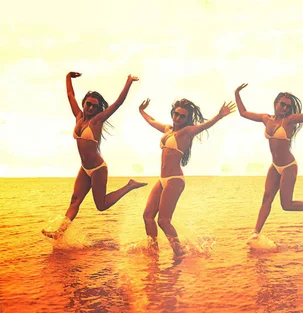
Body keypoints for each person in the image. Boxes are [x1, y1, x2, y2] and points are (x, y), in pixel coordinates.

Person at [234, 82, 303, 238]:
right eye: (283, 104)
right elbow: (243, 112)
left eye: (288, 106)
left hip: (288, 166)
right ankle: (256, 233)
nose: (285, 108)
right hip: (275, 166)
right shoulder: (266, 119)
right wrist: (237, 93)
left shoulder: (291, 120)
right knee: (266, 198)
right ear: (276, 103)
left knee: (286, 205)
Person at [42, 72, 147, 239]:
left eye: (94, 106)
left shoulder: (98, 120)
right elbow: (70, 95)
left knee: (101, 205)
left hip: (98, 168)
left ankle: (129, 186)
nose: (90, 108)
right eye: (88, 104)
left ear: (98, 109)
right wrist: (68, 77)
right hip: (84, 168)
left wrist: (128, 82)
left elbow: (118, 103)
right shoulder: (78, 117)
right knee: (75, 201)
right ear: (84, 103)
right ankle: (59, 233)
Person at [139, 98, 236, 257]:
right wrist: (142, 111)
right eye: (176, 114)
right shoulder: (168, 130)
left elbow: (203, 126)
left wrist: (219, 116)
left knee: (163, 221)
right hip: (162, 179)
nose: (177, 118)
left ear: (187, 119)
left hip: (174, 180)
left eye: (182, 116)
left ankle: (180, 253)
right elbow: (152, 121)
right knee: (148, 216)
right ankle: (153, 253)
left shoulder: (187, 131)